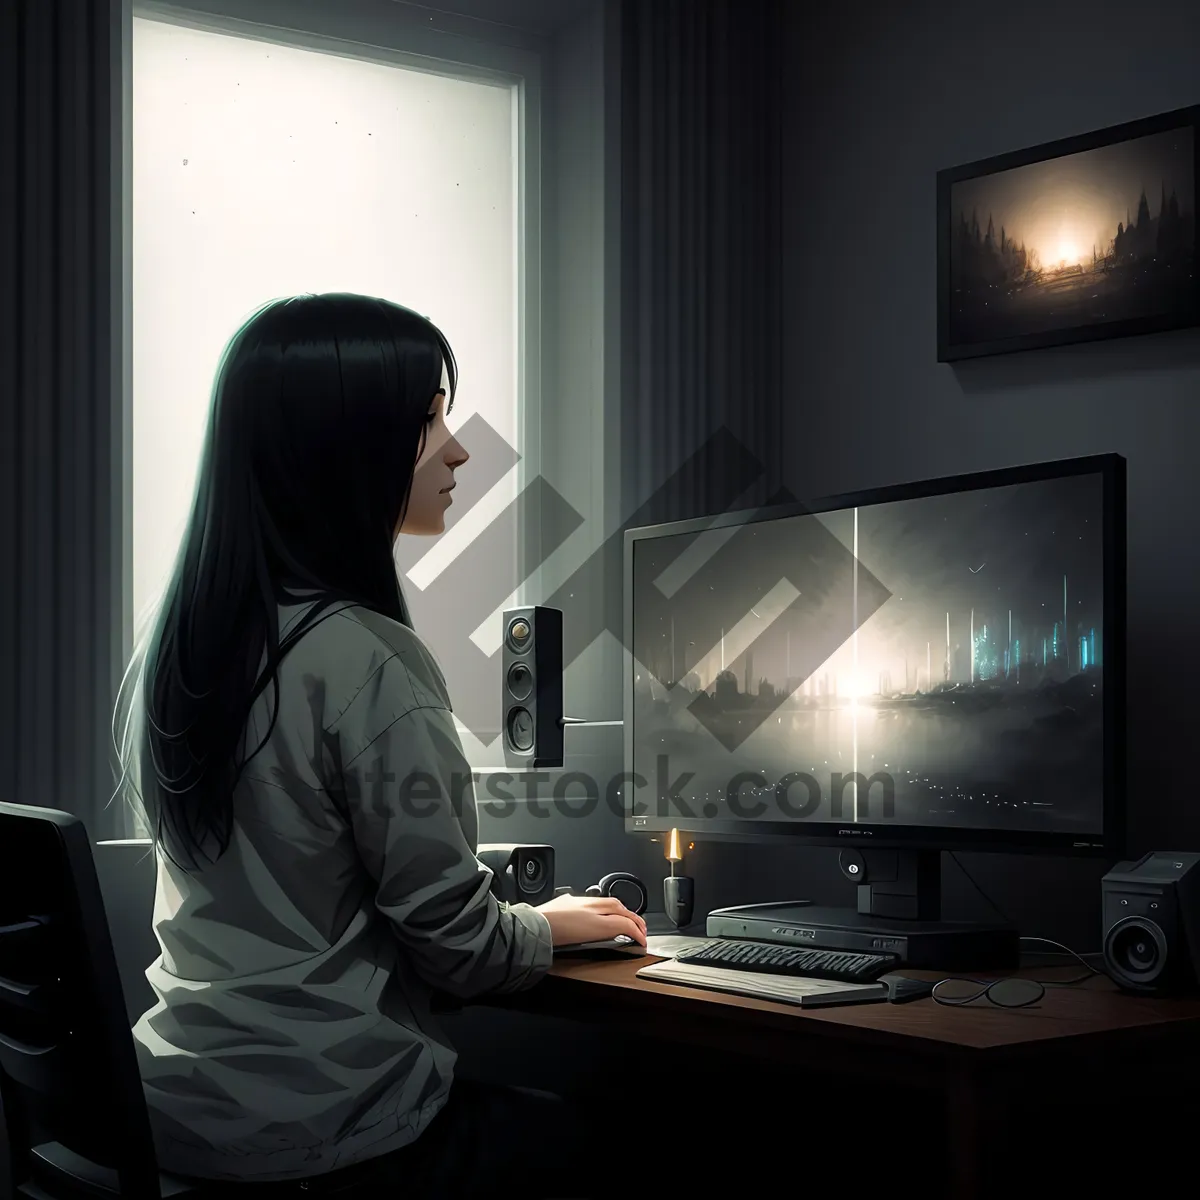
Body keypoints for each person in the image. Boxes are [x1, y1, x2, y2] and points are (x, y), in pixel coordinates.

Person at [113, 293, 647, 1197]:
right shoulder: (367, 661)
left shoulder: (182, 654)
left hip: (175, 1106)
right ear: (341, 450)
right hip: (323, 1122)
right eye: (427, 419)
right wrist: (547, 927)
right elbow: (458, 950)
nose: (460, 448)